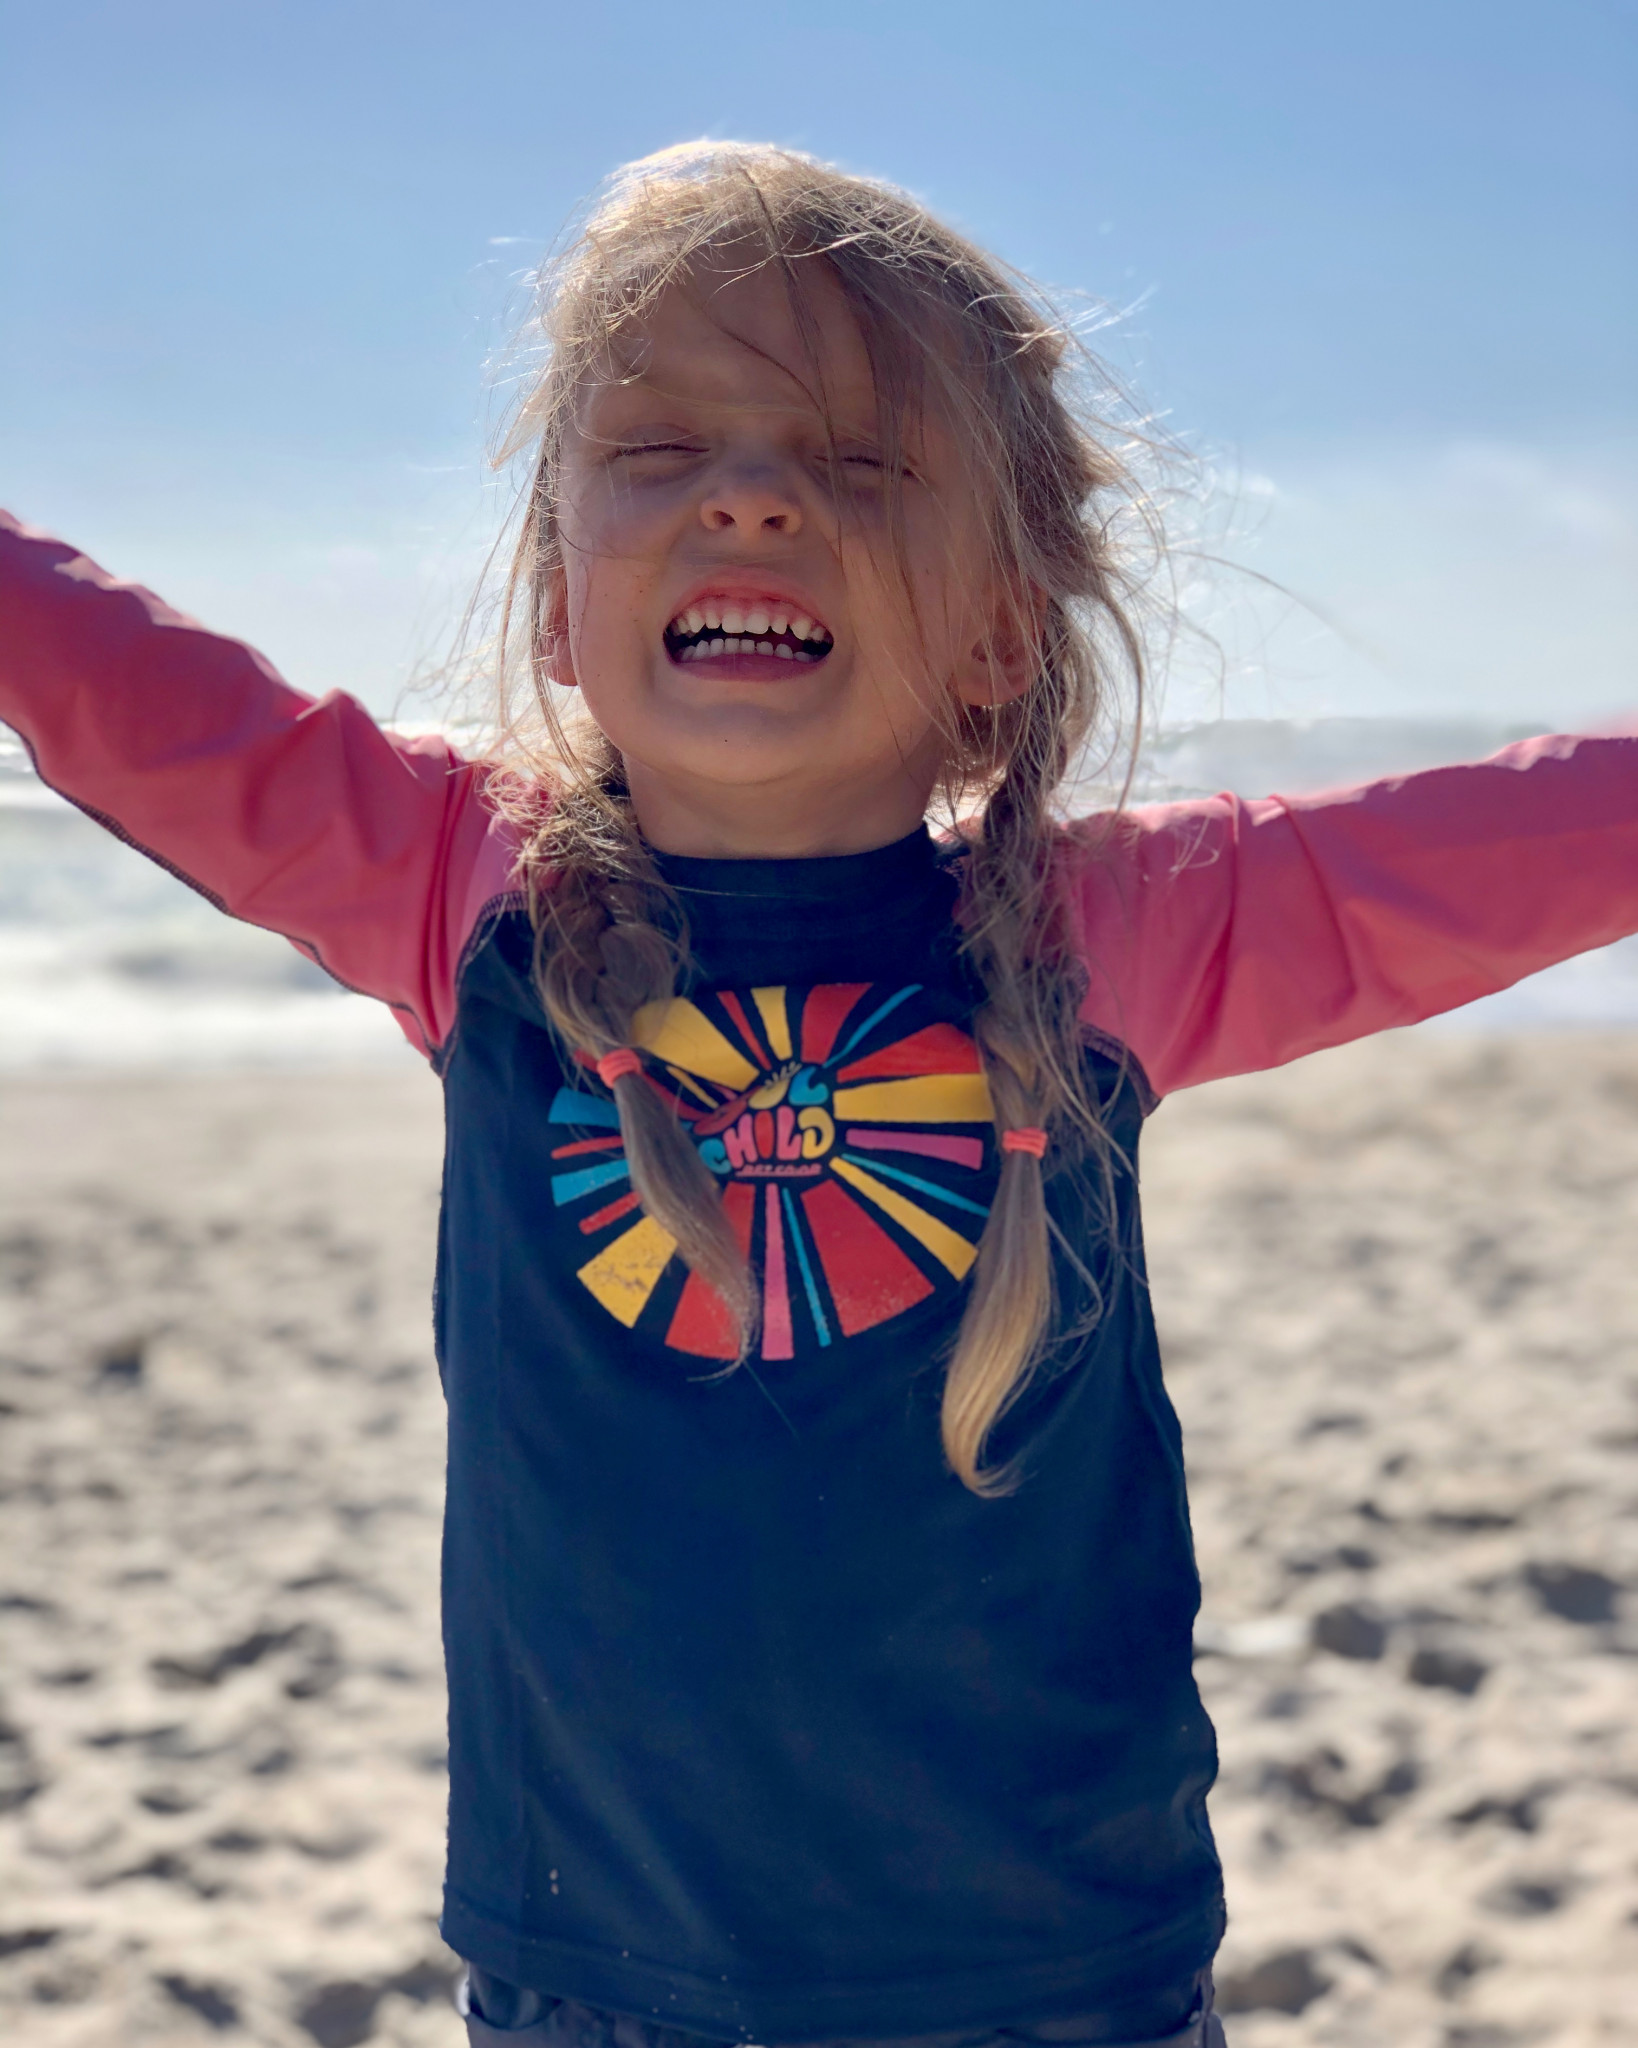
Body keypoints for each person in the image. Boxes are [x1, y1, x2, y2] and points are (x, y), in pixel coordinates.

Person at [1, 142, 1634, 2048]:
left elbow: (1537, 831)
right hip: (594, 1975)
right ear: (559, 599)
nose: (752, 496)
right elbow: (110, 680)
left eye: (859, 463)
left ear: (1000, 634)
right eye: (657, 447)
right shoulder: (462, 893)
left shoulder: (1110, 939)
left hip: (1060, 1983)